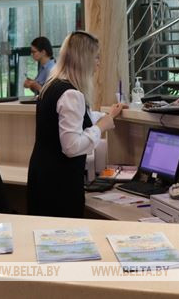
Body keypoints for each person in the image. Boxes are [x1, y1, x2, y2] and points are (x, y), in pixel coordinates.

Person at [27, 30, 125, 218]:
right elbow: (71, 147)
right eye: (96, 57)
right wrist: (101, 127)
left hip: (43, 177)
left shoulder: (52, 86)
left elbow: (76, 118)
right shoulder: (71, 94)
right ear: (84, 60)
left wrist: (108, 115)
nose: (98, 63)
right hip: (59, 185)